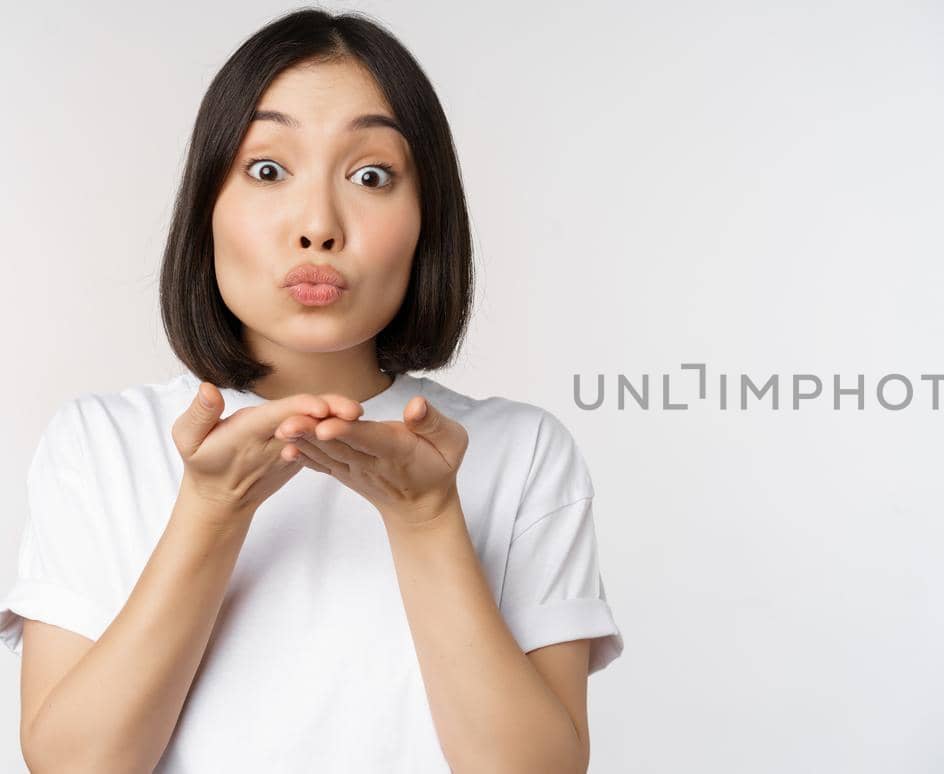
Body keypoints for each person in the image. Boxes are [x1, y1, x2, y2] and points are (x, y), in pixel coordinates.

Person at [0, 8, 622, 772]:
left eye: (371, 175)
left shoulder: (520, 452)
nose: (319, 226)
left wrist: (427, 520)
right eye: (268, 170)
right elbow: (75, 765)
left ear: (428, 219)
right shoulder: (101, 442)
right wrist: (212, 511)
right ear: (206, 208)